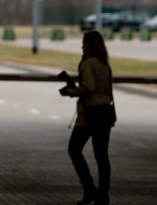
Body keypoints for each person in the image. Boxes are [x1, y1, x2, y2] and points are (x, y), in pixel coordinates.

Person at [61, 30, 115, 205]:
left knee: (74, 150)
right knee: (102, 157)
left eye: (84, 43)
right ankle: (103, 195)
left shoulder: (86, 64)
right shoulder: (104, 64)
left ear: (91, 45)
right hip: (105, 113)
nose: (82, 46)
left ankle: (89, 189)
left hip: (89, 115)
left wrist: (71, 91)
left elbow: (89, 87)